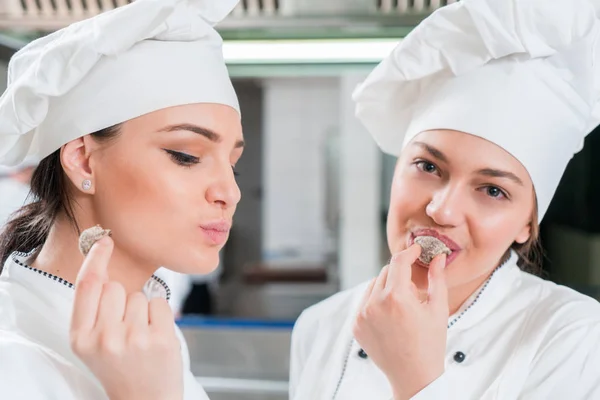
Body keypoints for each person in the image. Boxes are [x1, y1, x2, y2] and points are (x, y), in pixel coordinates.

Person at [290, 0, 600, 399]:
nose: (442, 210)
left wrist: (415, 379)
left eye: (492, 190)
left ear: (528, 222)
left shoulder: (575, 336)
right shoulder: (322, 325)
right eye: (428, 166)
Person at [0, 0, 243, 399]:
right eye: (187, 156)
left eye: (233, 166)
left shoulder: (152, 338)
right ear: (83, 162)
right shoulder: (11, 364)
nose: (229, 193)